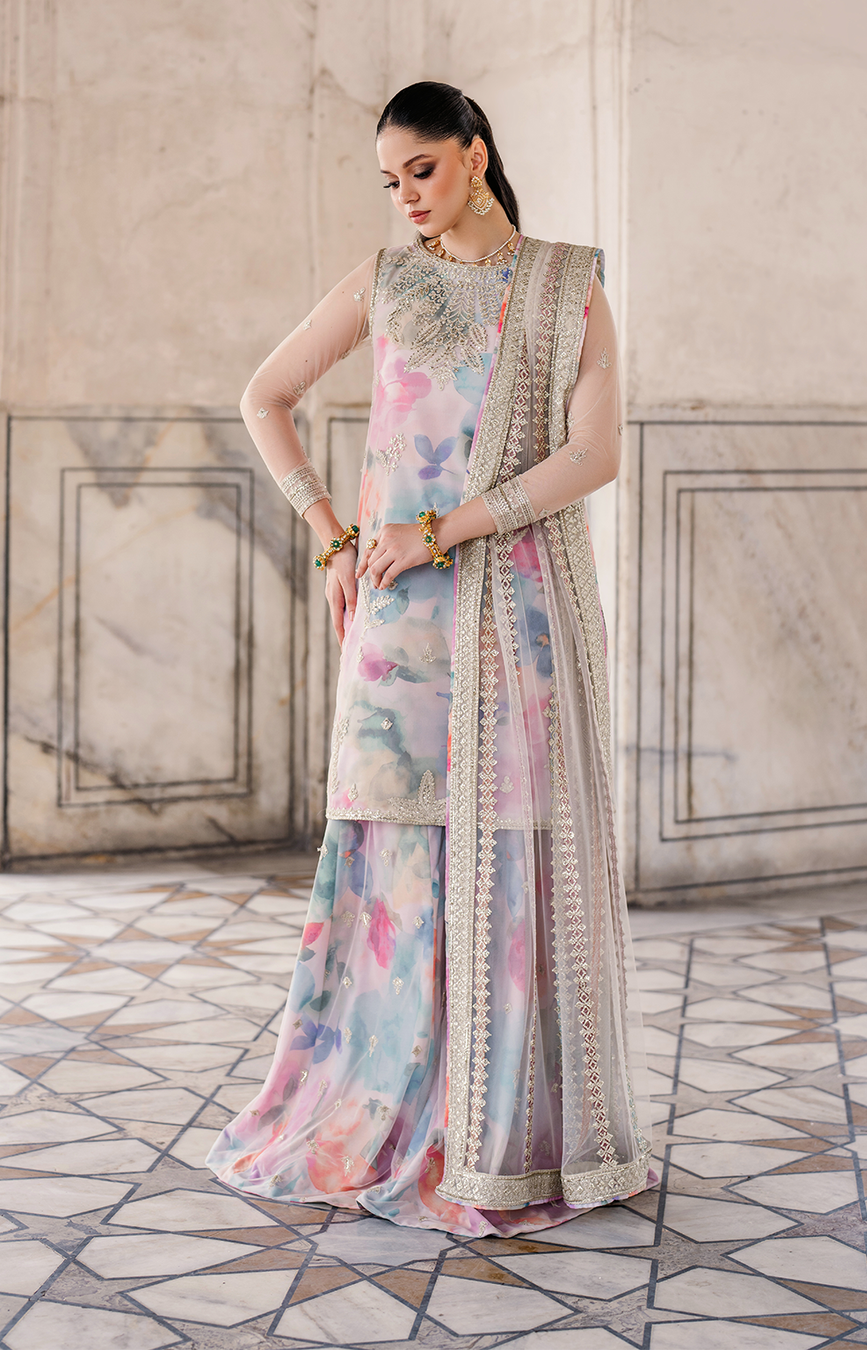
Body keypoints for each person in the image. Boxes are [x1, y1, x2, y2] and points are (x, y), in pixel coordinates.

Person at [207, 81, 655, 1237]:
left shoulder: (566, 284)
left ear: (475, 154)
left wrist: (440, 530)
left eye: (423, 169)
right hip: (399, 625)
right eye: (391, 179)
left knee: (511, 850)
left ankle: (500, 1136)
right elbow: (264, 398)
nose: (407, 195)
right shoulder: (385, 282)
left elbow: (594, 455)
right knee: (394, 857)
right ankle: (376, 1109)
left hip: (517, 610)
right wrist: (332, 535)